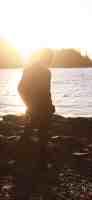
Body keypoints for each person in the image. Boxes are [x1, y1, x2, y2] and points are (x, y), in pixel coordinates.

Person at [16, 49, 55, 199]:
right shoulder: (33, 70)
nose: (50, 60)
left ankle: (41, 164)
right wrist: (29, 105)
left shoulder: (46, 72)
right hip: (35, 108)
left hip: (43, 108)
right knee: (30, 133)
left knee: (41, 135)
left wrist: (50, 105)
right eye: (49, 58)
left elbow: (46, 91)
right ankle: (24, 162)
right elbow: (20, 89)